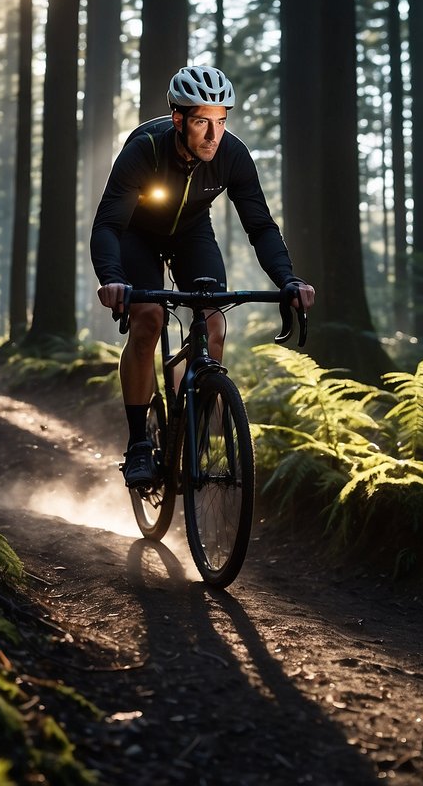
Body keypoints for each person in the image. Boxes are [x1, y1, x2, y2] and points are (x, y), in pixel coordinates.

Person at [90, 64, 316, 488]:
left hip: (191, 232)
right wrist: (113, 278)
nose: (214, 135)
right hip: (136, 233)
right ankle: (140, 443)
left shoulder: (232, 154)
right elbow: (107, 226)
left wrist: (288, 279)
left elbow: (261, 226)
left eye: (221, 121)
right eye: (201, 123)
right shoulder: (145, 150)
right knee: (149, 320)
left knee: (212, 322)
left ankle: (186, 429)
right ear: (178, 120)